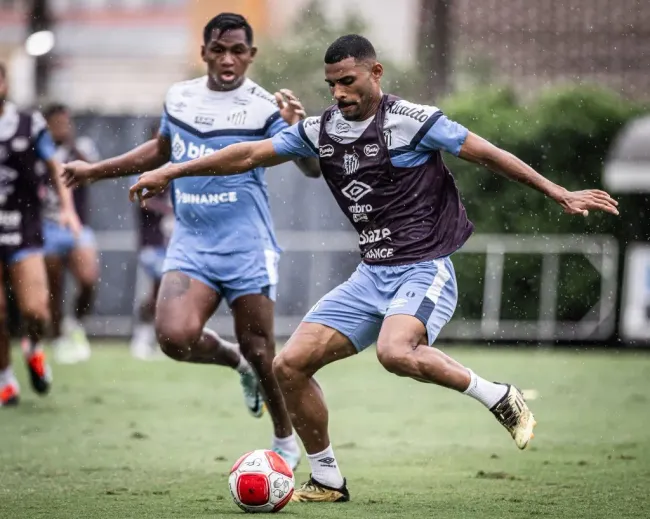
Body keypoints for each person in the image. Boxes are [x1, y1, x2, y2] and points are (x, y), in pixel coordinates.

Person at [124, 34, 620, 502]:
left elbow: (487, 153)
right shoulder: (322, 130)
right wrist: (172, 169)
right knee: (287, 366)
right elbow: (250, 152)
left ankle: (498, 395)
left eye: (348, 81)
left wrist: (558, 191)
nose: (339, 93)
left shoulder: (413, 120)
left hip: (423, 269)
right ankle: (326, 477)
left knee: (395, 352)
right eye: (332, 84)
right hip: (370, 277)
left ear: (375, 72)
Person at [61, 13, 320, 467]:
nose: (227, 59)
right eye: (218, 49)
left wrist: (297, 129)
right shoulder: (179, 97)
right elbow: (163, 150)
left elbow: (312, 168)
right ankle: (235, 363)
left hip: (246, 243)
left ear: (251, 55)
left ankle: (283, 440)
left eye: (237, 50)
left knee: (264, 351)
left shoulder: (265, 106)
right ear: (203, 52)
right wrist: (94, 172)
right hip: (192, 242)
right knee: (173, 337)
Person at [0, 63, 81, 406]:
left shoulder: (28, 123)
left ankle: (33, 346)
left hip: (24, 228)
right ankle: (5, 377)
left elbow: (55, 167)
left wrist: (68, 208)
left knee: (36, 311)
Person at [42, 104, 100, 364]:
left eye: (66, 123)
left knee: (88, 278)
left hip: (76, 225)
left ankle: (75, 322)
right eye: (56, 123)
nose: (62, 128)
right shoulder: (37, 151)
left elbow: (93, 175)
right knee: (53, 287)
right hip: (46, 226)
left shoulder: (80, 150)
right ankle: (56, 337)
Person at [130, 125, 173, 360]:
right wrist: (170, 209)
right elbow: (142, 200)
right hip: (153, 243)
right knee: (158, 291)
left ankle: (157, 337)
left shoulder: (179, 165)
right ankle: (143, 333)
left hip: (174, 243)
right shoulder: (145, 168)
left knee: (167, 295)